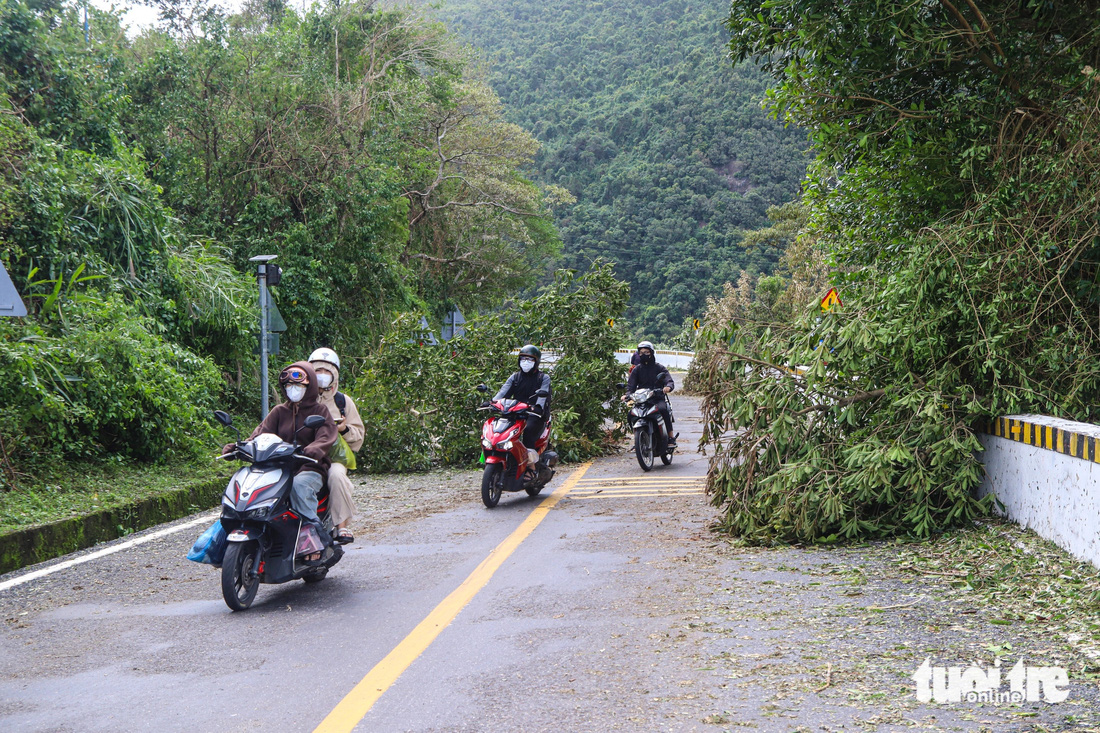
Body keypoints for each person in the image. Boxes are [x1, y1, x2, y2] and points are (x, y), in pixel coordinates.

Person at [223, 361, 337, 548]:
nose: (293, 389)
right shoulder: (279, 411)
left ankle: (314, 537)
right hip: (277, 468)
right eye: (289, 386)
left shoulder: (320, 411)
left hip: (308, 467)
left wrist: (314, 449)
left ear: (310, 387)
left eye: (299, 385)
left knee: (298, 487)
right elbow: (259, 435)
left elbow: (326, 436)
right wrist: (237, 447)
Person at [309, 347, 364, 545]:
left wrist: (343, 428)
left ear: (335, 375)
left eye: (327, 371)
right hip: (304, 454)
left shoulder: (343, 402)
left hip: (332, 457)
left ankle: (342, 526)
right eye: (318, 371)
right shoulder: (300, 397)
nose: (322, 376)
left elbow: (359, 437)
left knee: (337, 476)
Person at [493, 344, 551, 465]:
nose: (526, 362)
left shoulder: (543, 378)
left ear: (536, 361)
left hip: (534, 415)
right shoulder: (515, 377)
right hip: (515, 413)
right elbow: (502, 392)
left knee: (528, 432)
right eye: (523, 358)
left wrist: (538, 407)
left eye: (530, 359)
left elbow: (542, 397)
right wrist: (492, 402)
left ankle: (530, 467)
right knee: (498, 429)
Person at [623, 340, 677, 447]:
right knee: (631, 415)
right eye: (641, 353)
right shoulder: (637, 370)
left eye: (646, 352)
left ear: (651, 353)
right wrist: (627, 395)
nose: (644, 355)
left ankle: (671, 438)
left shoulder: (659, 367)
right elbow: (631, 385)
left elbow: (668, 380)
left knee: (663, 410)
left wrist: (667, 387)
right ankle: (638, 440)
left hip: (657, 398)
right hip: (642, 399)